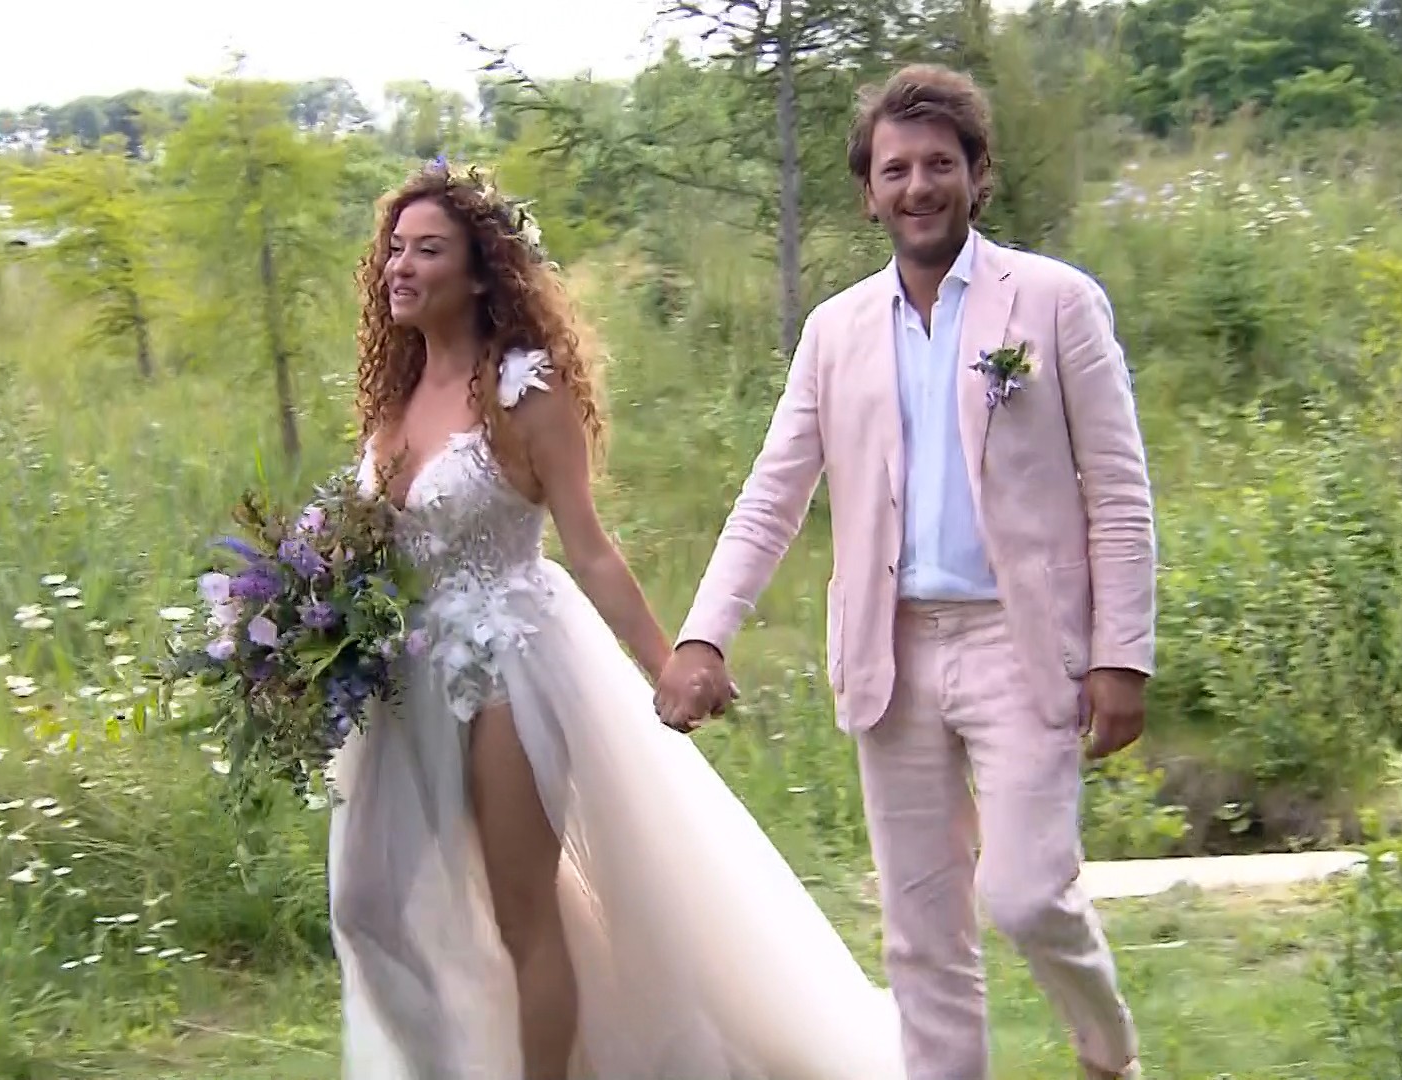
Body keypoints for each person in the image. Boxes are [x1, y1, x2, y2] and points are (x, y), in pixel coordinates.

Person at [324, 158, 904, 1079]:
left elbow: (588, 546)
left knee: (525, 914)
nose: (401, 265)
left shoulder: (522, 389)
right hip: (405, 675)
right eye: (395, 248)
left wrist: (668, 662)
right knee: (365, 903)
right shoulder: (394, 391)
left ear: (478, 272)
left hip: (507, 664)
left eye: (427, 250)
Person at [657, 63, 1154, 1080]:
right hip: (891, 654)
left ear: (977, 175)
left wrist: (1123, 655)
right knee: (922, 934)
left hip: (1023, 646)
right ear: (869, 192)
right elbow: (772, 494)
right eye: (896, 170)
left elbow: (1117, 488)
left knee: (1025, 894)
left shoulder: (1055, 304)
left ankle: (1108, 1052)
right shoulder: (834, 332)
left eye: (939, 165)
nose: (918, 186)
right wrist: (705, 633)